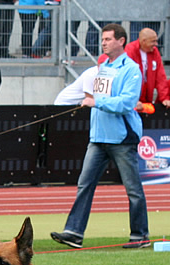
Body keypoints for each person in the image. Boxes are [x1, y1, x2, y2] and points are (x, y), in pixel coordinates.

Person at [51, 24, 150, 249]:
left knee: (133, 189)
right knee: (84, 184)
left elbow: (126, 102)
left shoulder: (131, 69)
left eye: (108, 39)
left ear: (121, 41)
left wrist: (97, 102)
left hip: (122, 138)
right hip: (98, 137)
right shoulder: (102, 67)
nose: (103, 42)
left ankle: (140, 236)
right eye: (103, 39)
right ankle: (74, 232)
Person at [124, 28, 170, 110]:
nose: (156, 44)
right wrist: (132, 100)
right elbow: (126, 78)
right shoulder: (130, 51)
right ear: (143, 41)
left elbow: (160, 77)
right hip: (134, 101)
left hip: (147, 98)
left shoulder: (155, 52)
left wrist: (165, 98)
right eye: (153, 41)